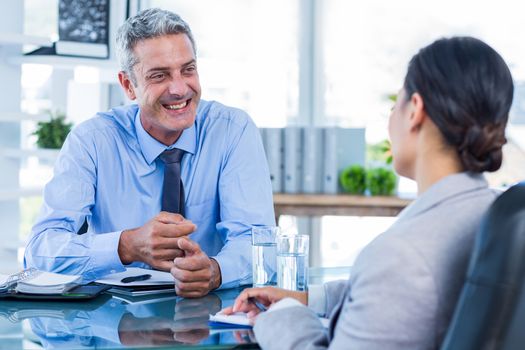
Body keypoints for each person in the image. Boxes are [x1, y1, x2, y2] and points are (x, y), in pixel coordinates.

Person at [224, 36, 514, 349]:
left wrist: (282, 316)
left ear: (415, 110)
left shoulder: (401, 255)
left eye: (395, 104)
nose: (391, 119)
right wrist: (305, 299)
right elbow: (389, 295)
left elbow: (395, 280)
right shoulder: (497, 214)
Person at [24, 8, 275, 298]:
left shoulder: (232, 130)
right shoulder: (92, 141)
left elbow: (260, 245)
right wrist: (126, 245)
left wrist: (216, 270)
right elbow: (40, 251)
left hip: (212, 317)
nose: (180, 89)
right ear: (129, 85)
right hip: (117, 324)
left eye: (188, 69)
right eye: (160, 76)